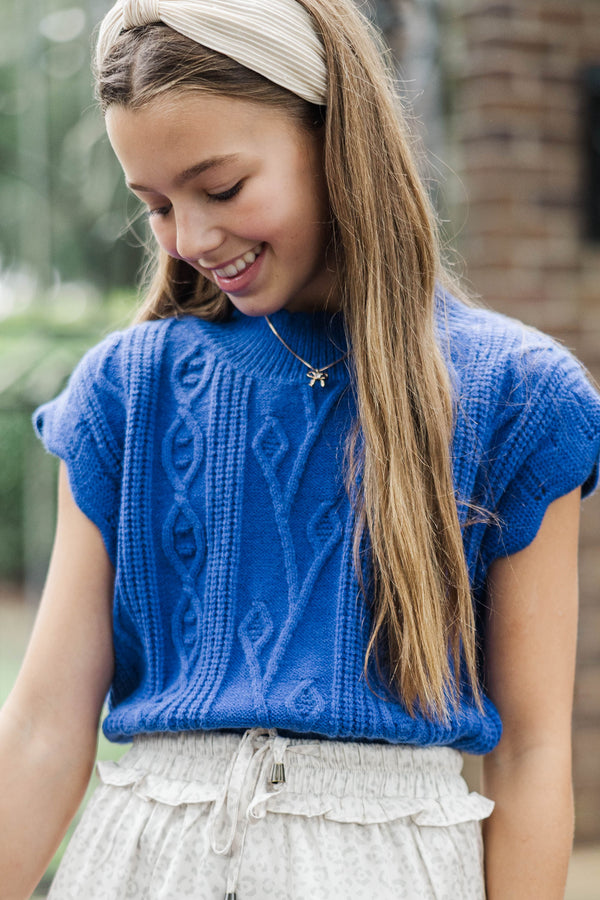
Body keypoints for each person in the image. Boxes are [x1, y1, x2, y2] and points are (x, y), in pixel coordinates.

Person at [1, 0, 599, 897]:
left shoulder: (517, 396)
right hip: (138, 869)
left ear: (334, 137)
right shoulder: (126, 390)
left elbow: (532, 753)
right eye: (157, 205)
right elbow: (46, 727)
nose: (193, 240)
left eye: (224, 187)